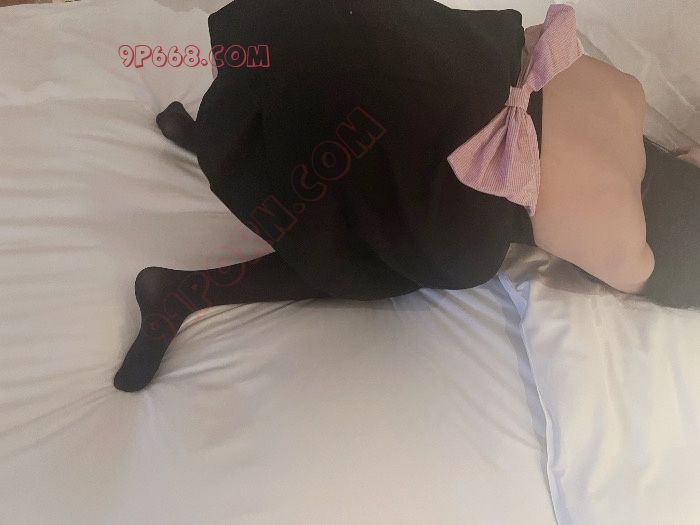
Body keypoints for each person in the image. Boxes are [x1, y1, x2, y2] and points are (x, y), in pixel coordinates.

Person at [113, 0, 700, 392]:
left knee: (438, 66)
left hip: (417, 62)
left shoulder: (627, 92)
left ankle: (220, 132)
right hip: (434, 166)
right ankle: (187, 290)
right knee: (417, 260)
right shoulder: (631, 251)